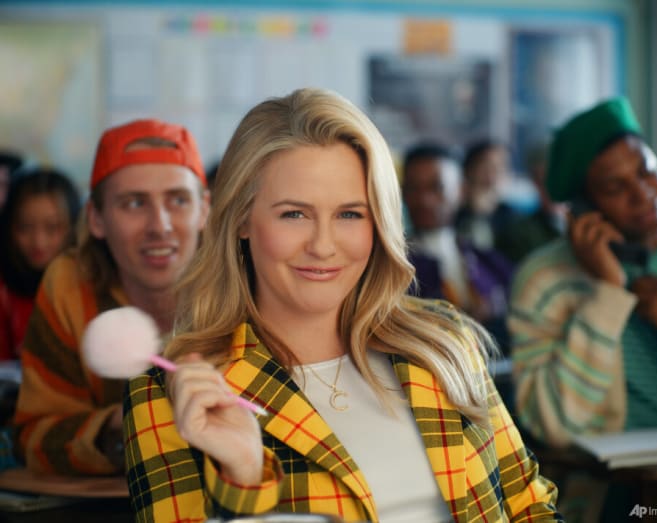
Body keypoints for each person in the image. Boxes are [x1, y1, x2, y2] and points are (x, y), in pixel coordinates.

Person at [124, 88, 561, 522]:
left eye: (350, 214)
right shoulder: (174, 388)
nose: (323, 245)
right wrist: (243, 479)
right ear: (241, 218)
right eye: (294, 214)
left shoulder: (445, 340)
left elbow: (530, 507)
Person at [509, 98, 657, 519]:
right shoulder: (544, 281)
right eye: (615, 188)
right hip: (613, 495)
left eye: (646, 170)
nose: (643, 193)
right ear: (584, 211)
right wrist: (607, 295)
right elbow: (554, 426)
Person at [12, 119, 210, 475]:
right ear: (96, 218)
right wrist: (127, 422)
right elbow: (32, 438)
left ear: (204, 210)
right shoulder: (70, 286)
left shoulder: (248, 284)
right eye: (134, 203)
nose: (160, 226)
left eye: (179, 200)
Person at [401, 142, 513, 353]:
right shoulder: (392, 265)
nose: (424, 200)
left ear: (461, 190)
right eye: (413, 188)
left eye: (437, 187)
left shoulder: (487, 260)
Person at [0, 168, 81, 361]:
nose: (38, 242)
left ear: (74, 228)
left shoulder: (92, 284)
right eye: (25, 227)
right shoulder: (4, 292)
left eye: (52, 228)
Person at [496, 142, 567, 264]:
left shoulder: (591, 224)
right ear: (534, 182)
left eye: (557, 178)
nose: (551, 188)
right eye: (542, 181)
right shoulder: (519, 234)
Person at [454, 139, 520, 253]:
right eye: (486, 167)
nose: (492, 176)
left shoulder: (514, 218)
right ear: (468, 171)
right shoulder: (451, 215)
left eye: (501, 167)